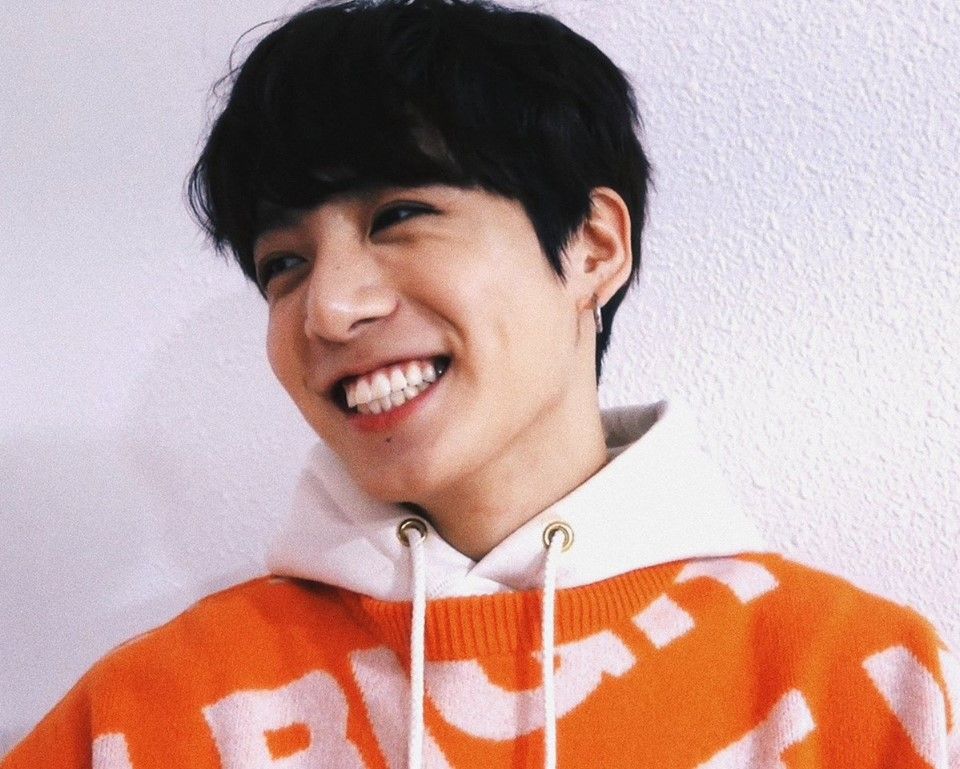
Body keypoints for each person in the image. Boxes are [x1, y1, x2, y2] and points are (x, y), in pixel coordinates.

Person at [4, 1, 958, 767]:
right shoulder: (150, 715)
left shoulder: (871, 684)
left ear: (592, 247)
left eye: (399, 214)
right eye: (283, 263)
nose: (327, 309)